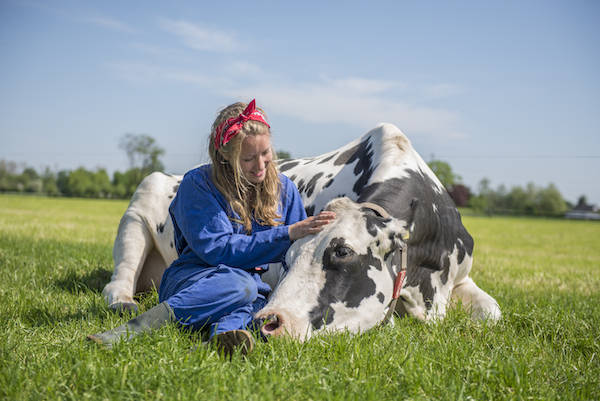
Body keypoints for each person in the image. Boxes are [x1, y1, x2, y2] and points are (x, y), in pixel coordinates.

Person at [88, 99, 335, 355]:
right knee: (242, 287)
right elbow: (217, 249)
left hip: (253, 286)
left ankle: (214, 345)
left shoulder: (285, 189)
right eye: (248, 158)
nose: (260, 165)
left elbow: (296, 253)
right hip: (194, 279)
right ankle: (133, 330)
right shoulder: (198, 185)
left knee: (257, 299)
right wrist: (287, 232)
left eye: (266, 154)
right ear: (225, 156)